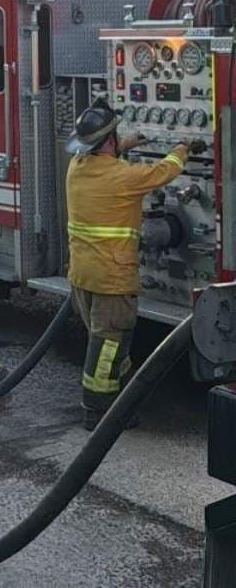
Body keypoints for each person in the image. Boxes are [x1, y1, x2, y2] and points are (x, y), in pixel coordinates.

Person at [65, 99, 205, 431]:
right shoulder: (123, 177)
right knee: (108, 348)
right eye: (116, 138)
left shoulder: (77, 167)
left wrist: (134, 140)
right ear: (109, 142)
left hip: (82, 276)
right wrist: (182, 147)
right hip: (112, 279)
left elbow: (104, 154)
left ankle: (126, 399)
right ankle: (98, 411)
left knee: (109, 344)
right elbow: (163, 171)